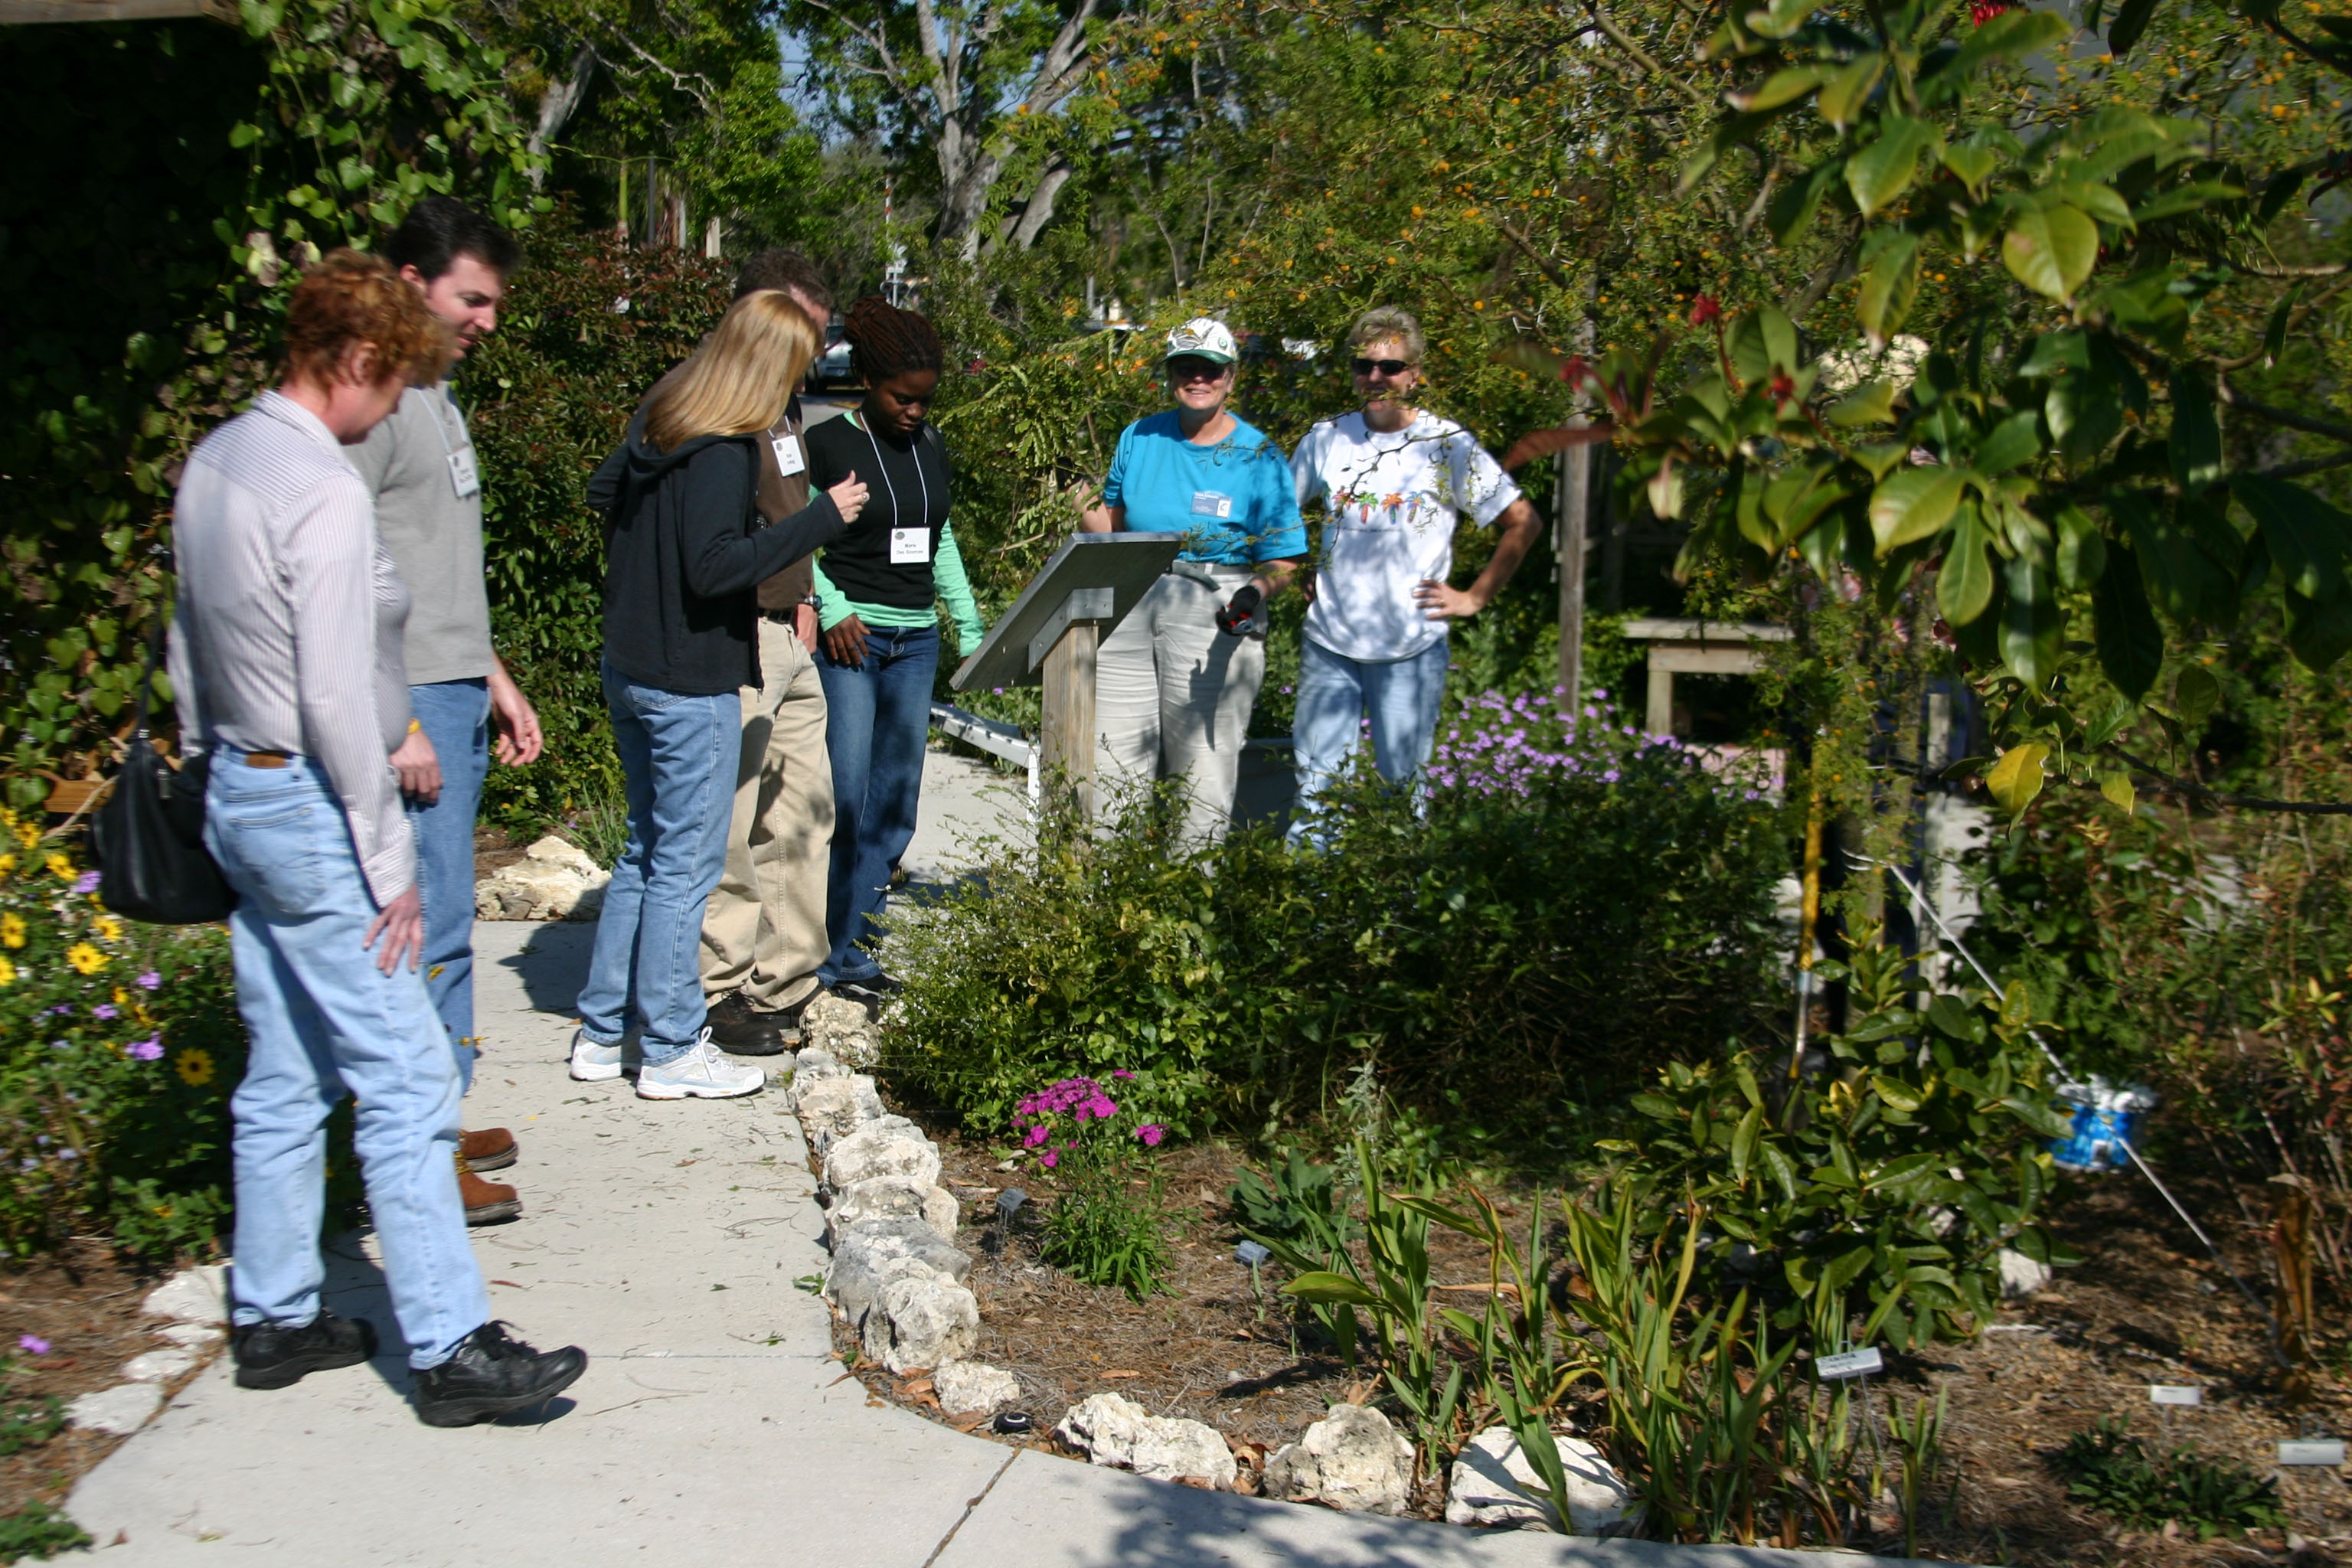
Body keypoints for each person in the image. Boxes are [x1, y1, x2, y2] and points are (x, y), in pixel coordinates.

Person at [166, 250, 586, 1424]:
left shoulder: (219, 461)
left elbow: (185, 646)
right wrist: (390, 868)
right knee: (405, 1074)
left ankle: (276, 1312)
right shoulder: (322, 489)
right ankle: (452, 1347)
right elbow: (347, 694)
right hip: (309, 797)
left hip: (237, 788)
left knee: (289, 1063)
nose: (398, 403)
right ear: (353, 360)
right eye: (393, 380)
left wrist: (212, 766)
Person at [571, 292, 866, 1097]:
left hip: (631, 661)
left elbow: (605, 495)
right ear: (771, 363)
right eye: (799, 366)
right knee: (686, 866)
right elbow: (716, 566)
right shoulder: (724, 447)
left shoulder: (660, 422)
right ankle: (668, 1046)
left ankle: (604, 1032)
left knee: (642, 853)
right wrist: (820, 521)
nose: (800, 384)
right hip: (688, 674)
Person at [348, 196, 541, 1227]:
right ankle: (415, 1150)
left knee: (453, 918)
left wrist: (491, 674)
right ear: (413, 283)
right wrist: (401, 720)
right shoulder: (374, 405)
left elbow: (427, 566)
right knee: (420, 926)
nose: (487, 321)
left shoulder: (439, 399)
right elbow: (348, 571)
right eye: (473, 299)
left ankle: (440, 1108)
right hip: (409, 699)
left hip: (453, 684)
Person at [1287, 306, 1544, 840]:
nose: (1376, 379)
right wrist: (1300, 569)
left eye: (1391, 367)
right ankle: (1312, 921)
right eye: (1364, 366)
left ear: (1415, 373)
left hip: (1411, 649)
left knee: (1402, 800)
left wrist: (1473, 597)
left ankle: (1397, 918)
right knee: (1316, 798)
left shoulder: (1446, 445)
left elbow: (1523, 522)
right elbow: (1277, 516)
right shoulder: (1326, 440)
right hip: (1329, 646)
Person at [805, 296, 983, 1001]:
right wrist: (833, 605)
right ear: (868, 381)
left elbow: (939, 536)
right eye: (902, 398)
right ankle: (818, 946)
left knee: (895, 802)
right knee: (845, 796)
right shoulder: (828, 444)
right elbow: (795, 537)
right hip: (851, 640)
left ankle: (858, 949)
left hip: (914, 642)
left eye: (925, 401)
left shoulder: (929, 444)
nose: (914, 411)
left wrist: (968, 626)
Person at [1080, 318, 1306, 843]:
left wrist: (1253, 596)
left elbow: (1285, 559)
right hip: (1133, 599)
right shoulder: (1139, 437)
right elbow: (1109, 526)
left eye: (1210, 369)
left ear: (1231, 377)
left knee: (1200, 772)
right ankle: (1105, 910)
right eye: (1186, 367)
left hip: (1215, 605)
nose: (1197, 378)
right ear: (1170, 375)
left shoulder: (1259, 455)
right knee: (1110, 761)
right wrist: (1068, 486)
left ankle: (1186, 909)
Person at [690, 251, 836, 1059]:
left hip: (790, 629)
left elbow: (789, 510)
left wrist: (806, 596)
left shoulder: (785, 408)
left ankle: (785, 980)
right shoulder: (713, 407)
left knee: (805, 814)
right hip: (734, 633)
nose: (810, 351)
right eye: (801, 332)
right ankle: (717, 989)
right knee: (734, 821)